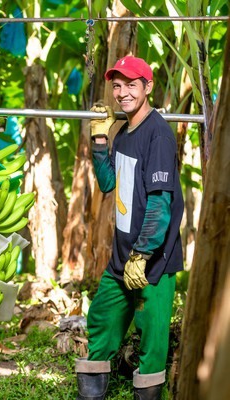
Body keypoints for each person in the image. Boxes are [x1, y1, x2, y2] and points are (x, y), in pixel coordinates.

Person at [75, 56, 184, 400]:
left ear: (148, 87)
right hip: (122, 257)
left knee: (152, 340)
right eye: (117, 86)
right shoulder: (123, 133)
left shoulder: (158, 135)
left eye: (131, 85)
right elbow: (109, 183)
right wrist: (99, 140)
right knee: (102, 319)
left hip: (153, 260)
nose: (122, 93)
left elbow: (160, 202)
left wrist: (142, 253)